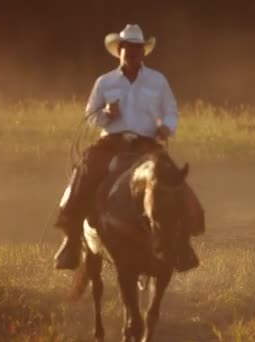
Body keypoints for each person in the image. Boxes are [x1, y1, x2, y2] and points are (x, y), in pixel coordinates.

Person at [53, 24, 202, 272]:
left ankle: (184, 243)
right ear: (119, 51)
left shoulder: (158, 80)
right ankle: (71, 239)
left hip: (147, 145)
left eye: (137, 48)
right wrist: (106, 114)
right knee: (85, 171)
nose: (133, 53)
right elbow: (90, 115)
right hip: (111, 142)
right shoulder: (105, 82)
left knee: (175, 181)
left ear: (143, 52)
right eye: (128, 48)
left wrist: (166, 126)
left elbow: (171, 110)